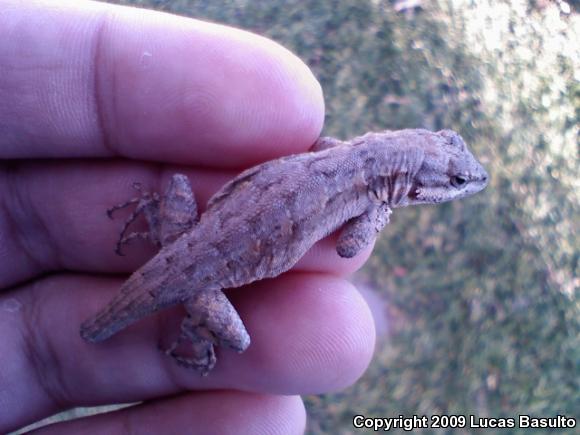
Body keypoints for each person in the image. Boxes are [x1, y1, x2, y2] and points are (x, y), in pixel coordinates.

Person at [0, 1, 376, 433]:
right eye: (454, 180)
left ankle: (151, 217)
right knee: (238, 340)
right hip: (200, 283)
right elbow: (348, 246)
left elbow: (326, 146)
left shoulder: (343, 152)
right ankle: (195, 335)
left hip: (183, 233)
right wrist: (378, 213)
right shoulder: (372, 196)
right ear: (412, 184)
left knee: (175, 184)